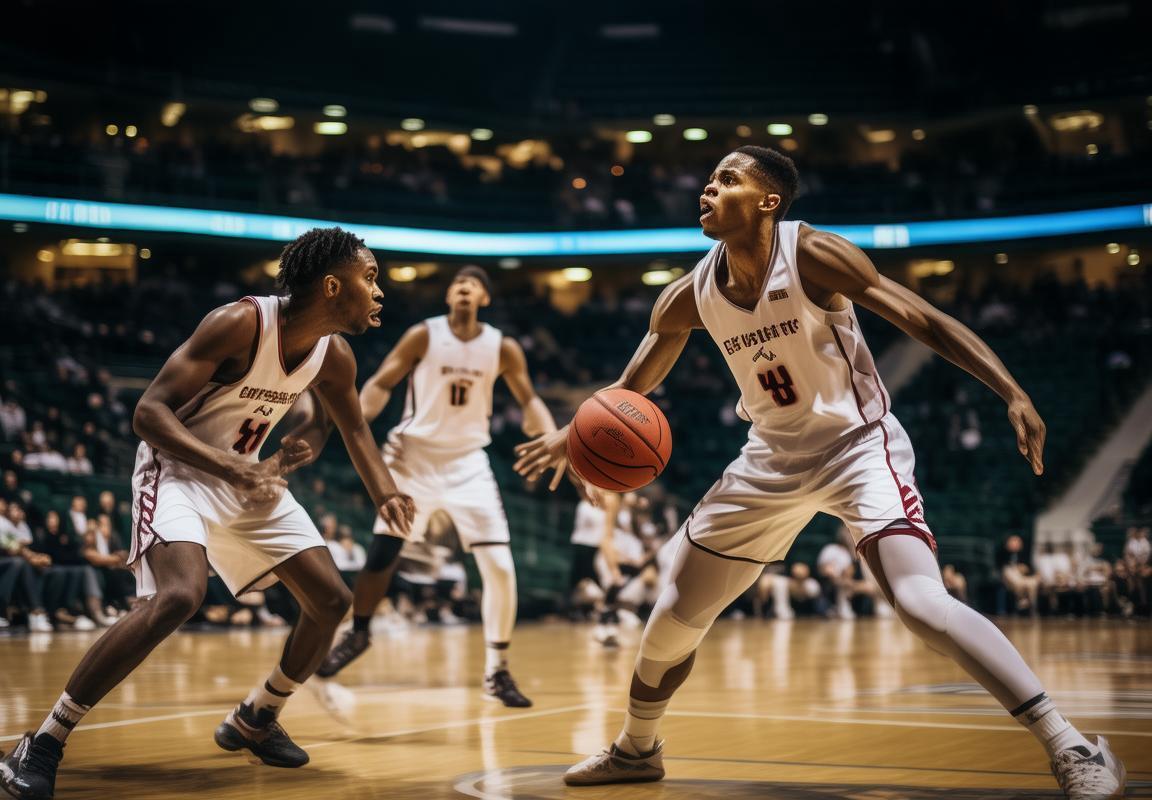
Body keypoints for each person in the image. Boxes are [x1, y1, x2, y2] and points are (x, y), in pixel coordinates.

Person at [514, 146, 1124, 797]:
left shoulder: (813, 254)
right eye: (709, 180)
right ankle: (637, 749)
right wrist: (569, 435)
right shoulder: (688, 294)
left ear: (768, 201)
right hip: (770, 459)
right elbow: (630, 388)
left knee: (920, 604)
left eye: (726, 180)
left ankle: (1073, 745)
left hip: (857, 446)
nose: (707, 189)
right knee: (672, 617)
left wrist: (1011, 391)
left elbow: (923, 319)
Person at [0, 227, 415, 800]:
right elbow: (148, 414)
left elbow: (353, 429)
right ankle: (43, 740)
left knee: (330, 601)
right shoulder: (239, 323)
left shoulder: (334, 355)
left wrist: (385, 492)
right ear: (330, 285)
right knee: (179, 596)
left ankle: (257, 716)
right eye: (369, 277)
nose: (379, 290)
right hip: (176, 471)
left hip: (247, 478)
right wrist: (230, 468)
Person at [310, 265, 560, 707]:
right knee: (382, 553)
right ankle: (359, 631)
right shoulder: (424, 335)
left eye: (473, 284)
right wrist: (350, 424)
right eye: (458, 283)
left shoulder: (501, 347)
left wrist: (553, 439)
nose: (464, 288)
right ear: (448, 296)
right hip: (414, 457)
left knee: (501, 568)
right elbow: (381, 383)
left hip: (468, 462)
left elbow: (530, 401)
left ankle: (497, 670)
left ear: (484, 298)